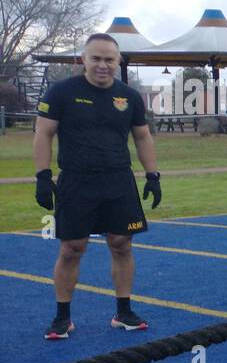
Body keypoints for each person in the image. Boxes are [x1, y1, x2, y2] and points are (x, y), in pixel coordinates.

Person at [33, 33, 161, 339]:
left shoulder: (129, 96)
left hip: (118, 180)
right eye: (96, 58)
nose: (102, 65)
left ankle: (124, 311)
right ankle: (62, 317)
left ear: (118, 62)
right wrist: (42, 176)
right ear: (83, 60)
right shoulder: (61, 92)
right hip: (77, 181)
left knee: (122, 244)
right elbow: (43, 134)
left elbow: (142, 137)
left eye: (109, 59)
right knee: (71, 249)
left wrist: (153, 175)